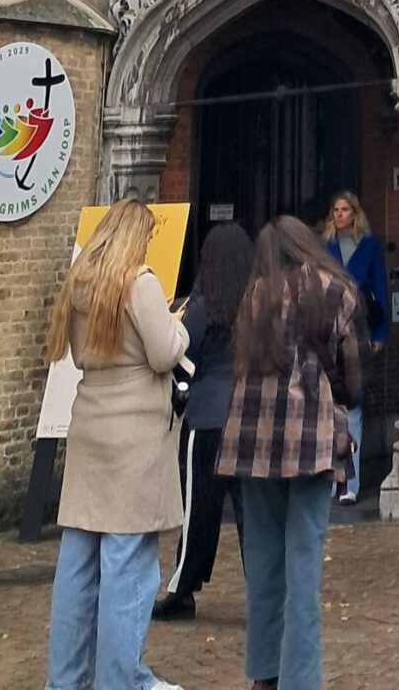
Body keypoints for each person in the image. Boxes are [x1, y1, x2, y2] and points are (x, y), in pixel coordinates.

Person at [40, 198, 189, 690]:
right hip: (134, 436)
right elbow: (164, 352)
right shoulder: (138, 282)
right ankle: (120, 681)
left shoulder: (81, 283)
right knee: (128, 568)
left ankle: (66, 681)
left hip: (90, 425)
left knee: (78, 566)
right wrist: (178, 323)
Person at [217, 217, 368, 690]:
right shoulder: (333, 290)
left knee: (262, 568)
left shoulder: (255, 295)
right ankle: (299, 682)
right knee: (302, 571)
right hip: (309, 439)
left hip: (251, 441)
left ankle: (265, 674)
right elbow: (353, 369)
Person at [156, 220, 253, 622]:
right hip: (250, 418)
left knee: (199, 509)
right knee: (254, 515)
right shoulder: (258, 305)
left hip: (209, 418)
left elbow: (178, 356)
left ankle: (182, 590)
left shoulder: (201, 309)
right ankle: (267, 592)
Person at [321, 190, 389, 501]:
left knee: (355, 404)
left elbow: (381, 289)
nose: (339, 214)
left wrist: (381, 334)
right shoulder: (326, 246)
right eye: (336, 209)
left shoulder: (370, 246)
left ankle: (351, 483)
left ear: (355, 213)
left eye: (345, 209)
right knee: (331, 405)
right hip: (330, 333)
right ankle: (333, 479)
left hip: (360, 329)